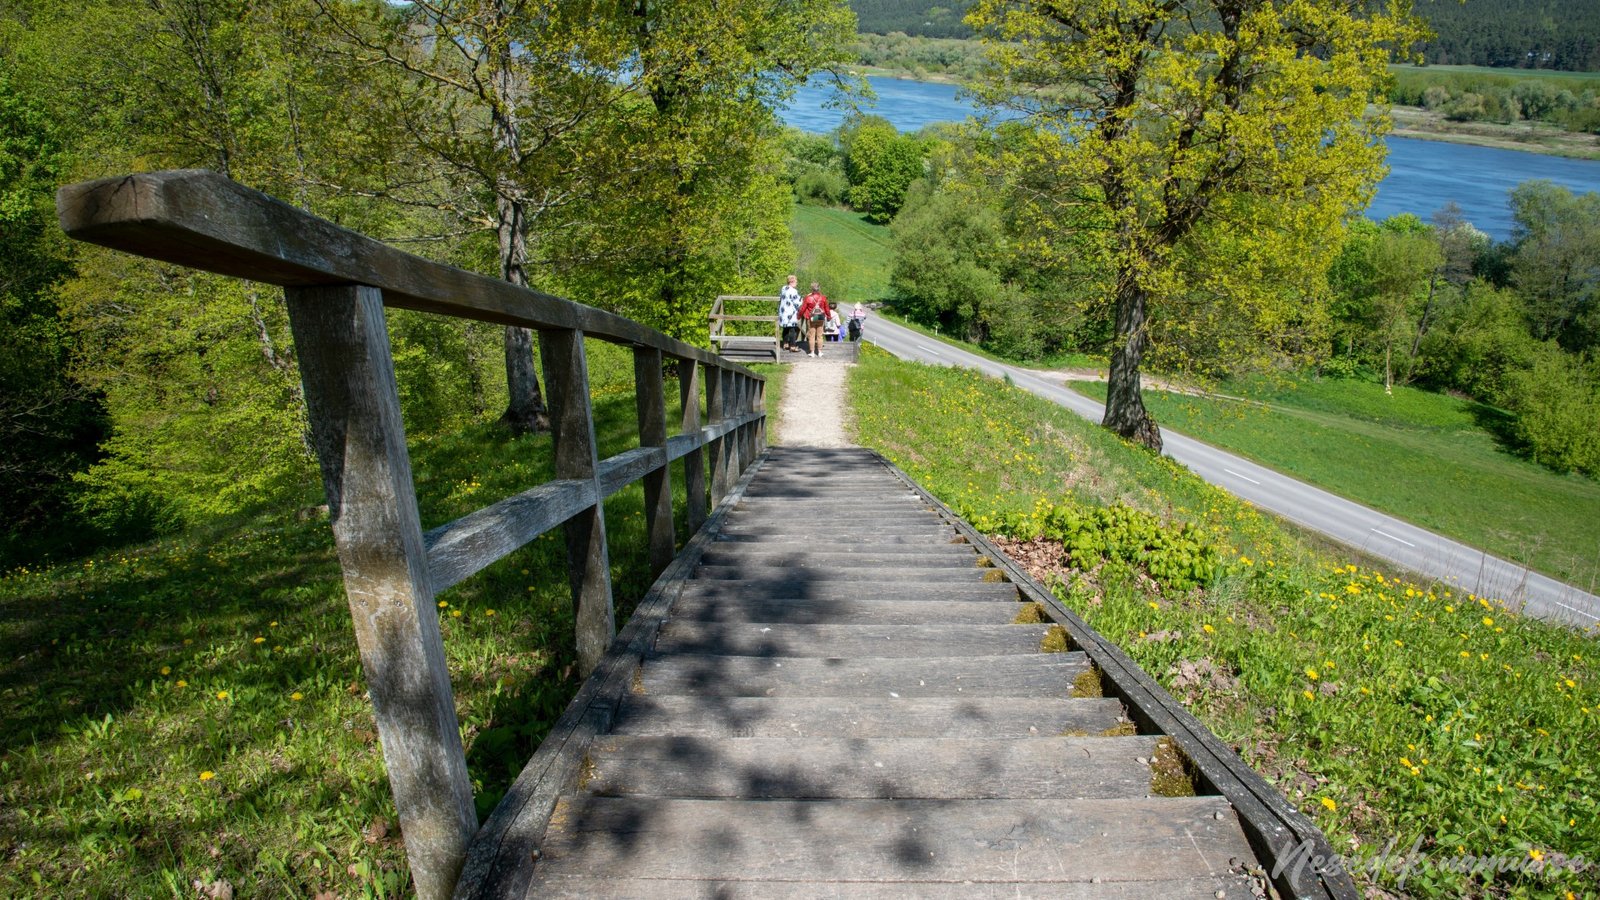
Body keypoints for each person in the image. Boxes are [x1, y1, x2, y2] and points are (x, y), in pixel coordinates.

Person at [799, 283, 829, 357]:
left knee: (811, 335)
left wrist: (799, 316)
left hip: (811, 318)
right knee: (820, 335)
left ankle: (812, 352)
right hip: (820, 318)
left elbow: (803, 308)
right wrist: (829, 316)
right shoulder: (823, 297)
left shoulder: (808, 298)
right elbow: (827, 309)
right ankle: (820, 352)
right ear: (819, 289)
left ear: (812, 289)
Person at [778, 275, 802, 352]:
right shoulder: (793, 291)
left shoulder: (783, 288)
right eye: (796, 282)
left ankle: (785, 344)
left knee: (785, 329)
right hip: (790, 313)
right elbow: (797, 303)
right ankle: (793, 346)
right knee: (793, 330)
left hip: (783, 312)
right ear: (792, 282)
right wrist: (803, 301)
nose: (797, 283)